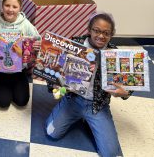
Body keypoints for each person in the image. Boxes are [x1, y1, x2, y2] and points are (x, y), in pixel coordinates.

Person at [45, 12, 132, 157]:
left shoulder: (115, 54)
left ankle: (89, 122)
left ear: (112, 35)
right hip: (73, 99)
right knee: (51, 133)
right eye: (96, 30)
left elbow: (128, 86)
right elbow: (53, 69)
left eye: (106, 33)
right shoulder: (74, 44)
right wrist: (54, 84)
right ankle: (71, 112)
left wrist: (125, 93)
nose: (101, 36)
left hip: (97, 106)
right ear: (89, 30)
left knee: (110, 154)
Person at [0, 0, 41, 108]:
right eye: (7, 5)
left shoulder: (26, 25)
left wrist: (36, 46)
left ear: (20, 8)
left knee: (22, 101)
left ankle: (16, 83)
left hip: (19, 70)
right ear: (2, 6)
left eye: (14, 7)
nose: (10, 9)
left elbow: (37, 41)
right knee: (3, 102)